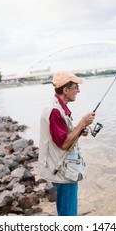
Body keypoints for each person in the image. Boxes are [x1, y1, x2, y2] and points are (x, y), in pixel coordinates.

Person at [38, 71, 95, 216]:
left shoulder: (57, 107)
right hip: (64, 172)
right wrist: (82, 122)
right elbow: (63, 144)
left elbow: (62, 136)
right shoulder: (55, 111)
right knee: (68, 214)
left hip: (62, 167)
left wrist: (79, 130)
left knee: (65, 211)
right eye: (76, 87)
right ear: (66, 90)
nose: (78, 91)